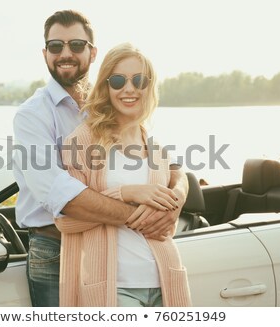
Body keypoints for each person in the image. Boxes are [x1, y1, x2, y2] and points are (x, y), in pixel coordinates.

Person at [12, 10, 188, 307]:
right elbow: (61, 196)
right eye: (56, 46)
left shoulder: (114, 97)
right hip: (54, 246)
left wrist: (176, 201)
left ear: (92, 53)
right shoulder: (33, 115)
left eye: (76, 45)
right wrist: (143, 216)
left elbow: (168, 167)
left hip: (122, 252)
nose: (65, 53)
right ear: (45, 53)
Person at [56, 43, 192, 307]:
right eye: (118, 80)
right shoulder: (82, 141)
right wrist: (126, 193)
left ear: (149, 86)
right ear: (106, 87)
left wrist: (177, 197)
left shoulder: (156, 147)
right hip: (116, 289)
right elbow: (66, 220)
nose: (129, 89)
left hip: (165, 281)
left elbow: (177, 188)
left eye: (138, 80)